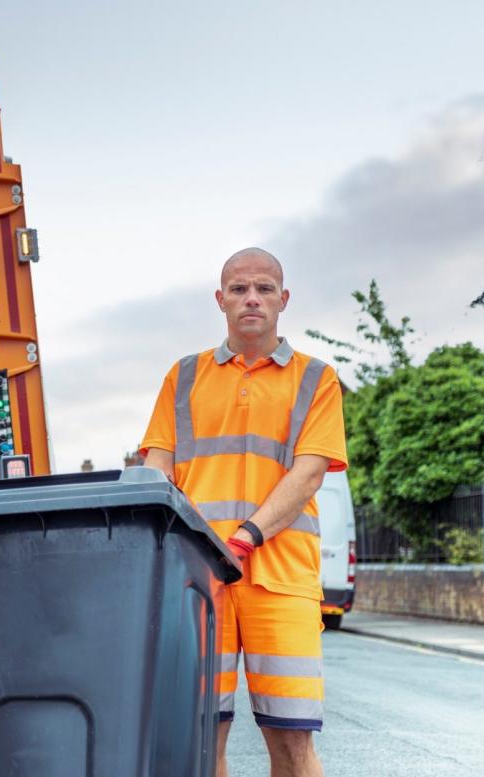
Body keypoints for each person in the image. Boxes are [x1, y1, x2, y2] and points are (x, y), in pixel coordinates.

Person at [139, 247, 347, 777]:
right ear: (220, 300)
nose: (251, 298)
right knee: (199, 740)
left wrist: (246, 536)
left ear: (284, 299)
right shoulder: (183, 377)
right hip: (198, 581)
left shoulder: (315, 378)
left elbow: (308, 473)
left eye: (263, 288)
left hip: (280, 582)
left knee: (292, 743)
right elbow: (157, 466)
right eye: (238, 289)